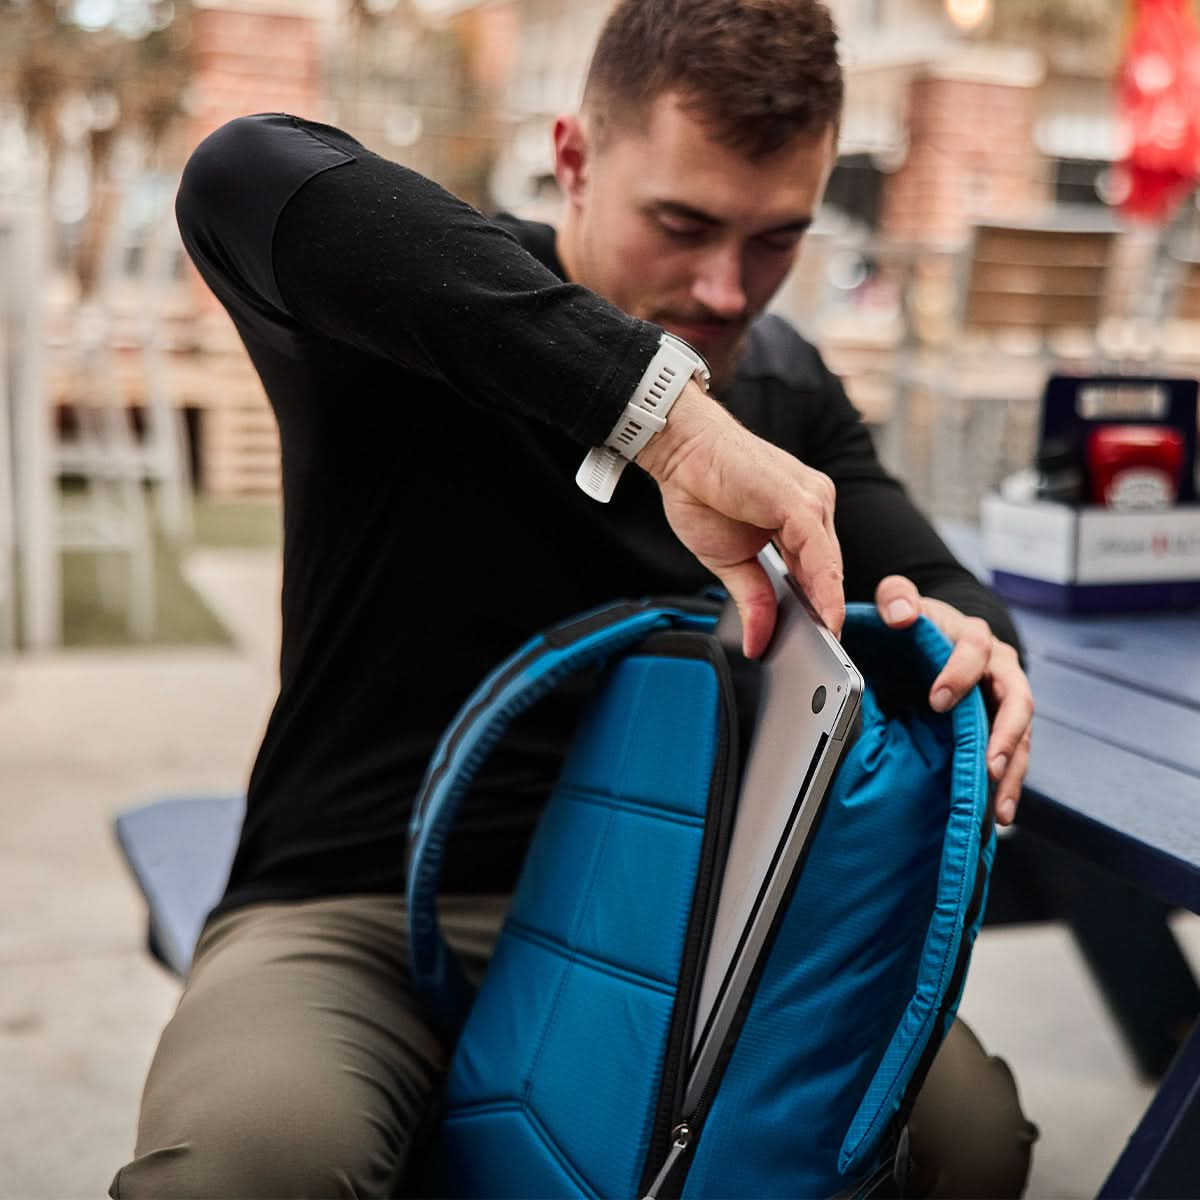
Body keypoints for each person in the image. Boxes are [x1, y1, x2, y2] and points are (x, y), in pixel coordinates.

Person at [111, 1, 1037, 1196]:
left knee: (967, 1141)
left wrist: (978, 649)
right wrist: (664, 420)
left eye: (777, 240)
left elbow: (947, 588)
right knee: (246, 1167)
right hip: (361, 907)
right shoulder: (421, 317)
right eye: (684, 223)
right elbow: (242, 170)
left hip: (690, 912)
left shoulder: (788, 388)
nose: (724, 286)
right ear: (573, 158)